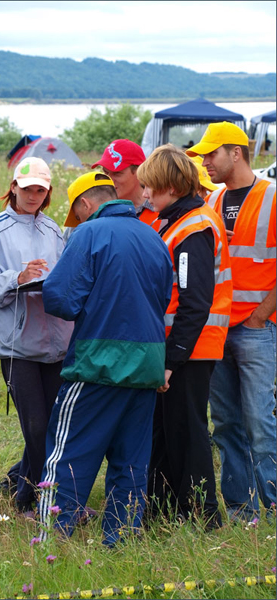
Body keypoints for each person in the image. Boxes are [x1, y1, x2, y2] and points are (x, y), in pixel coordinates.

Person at [38, 172, 173, 547]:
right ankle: (121, 540)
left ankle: (51, 540)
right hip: (146, 364)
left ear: (85, 205)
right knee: (131, 462)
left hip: (97, 363)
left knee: (67, 454)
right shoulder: (153, 236)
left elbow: (61, 299)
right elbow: (163, 298)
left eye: (77, 214)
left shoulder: (87, 234)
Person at [136, 144, 232, 530]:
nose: (144, 195)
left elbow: (194, 303)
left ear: (171, 188)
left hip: (190, 349)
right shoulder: (176, 220)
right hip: (179, 347)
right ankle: (162, 509)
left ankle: (203, 517)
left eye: (150, 188)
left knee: (188, 431)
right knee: (166, 430)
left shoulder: (194, 227)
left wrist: (171, 361)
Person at [187, 122, 276, 521]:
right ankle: (243, 511)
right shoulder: (214, 200)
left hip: (257, 330)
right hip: (218, 331)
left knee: (260, 424)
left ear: (235, 153)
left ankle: (272, 509)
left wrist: (260, 317)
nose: (205, 162)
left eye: (211, 154)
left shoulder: (273, 198)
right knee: (225, 425)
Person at [0, 157, 73, 516]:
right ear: (13, 187)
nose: (33, 195)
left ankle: (28, 491)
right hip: (17, 347)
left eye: (40, 190)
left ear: (47, 194)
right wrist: (18, 278)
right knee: (35, 425)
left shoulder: (53, 230)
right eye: (27, 188)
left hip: (56, 343)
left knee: (55, 425)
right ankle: (33, 499)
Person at [91, 138, 157, 225]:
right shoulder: (94, 210)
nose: (109, 180)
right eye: (106, 172)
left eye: (117, 173)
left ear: (139, 172)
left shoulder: (161, 211)